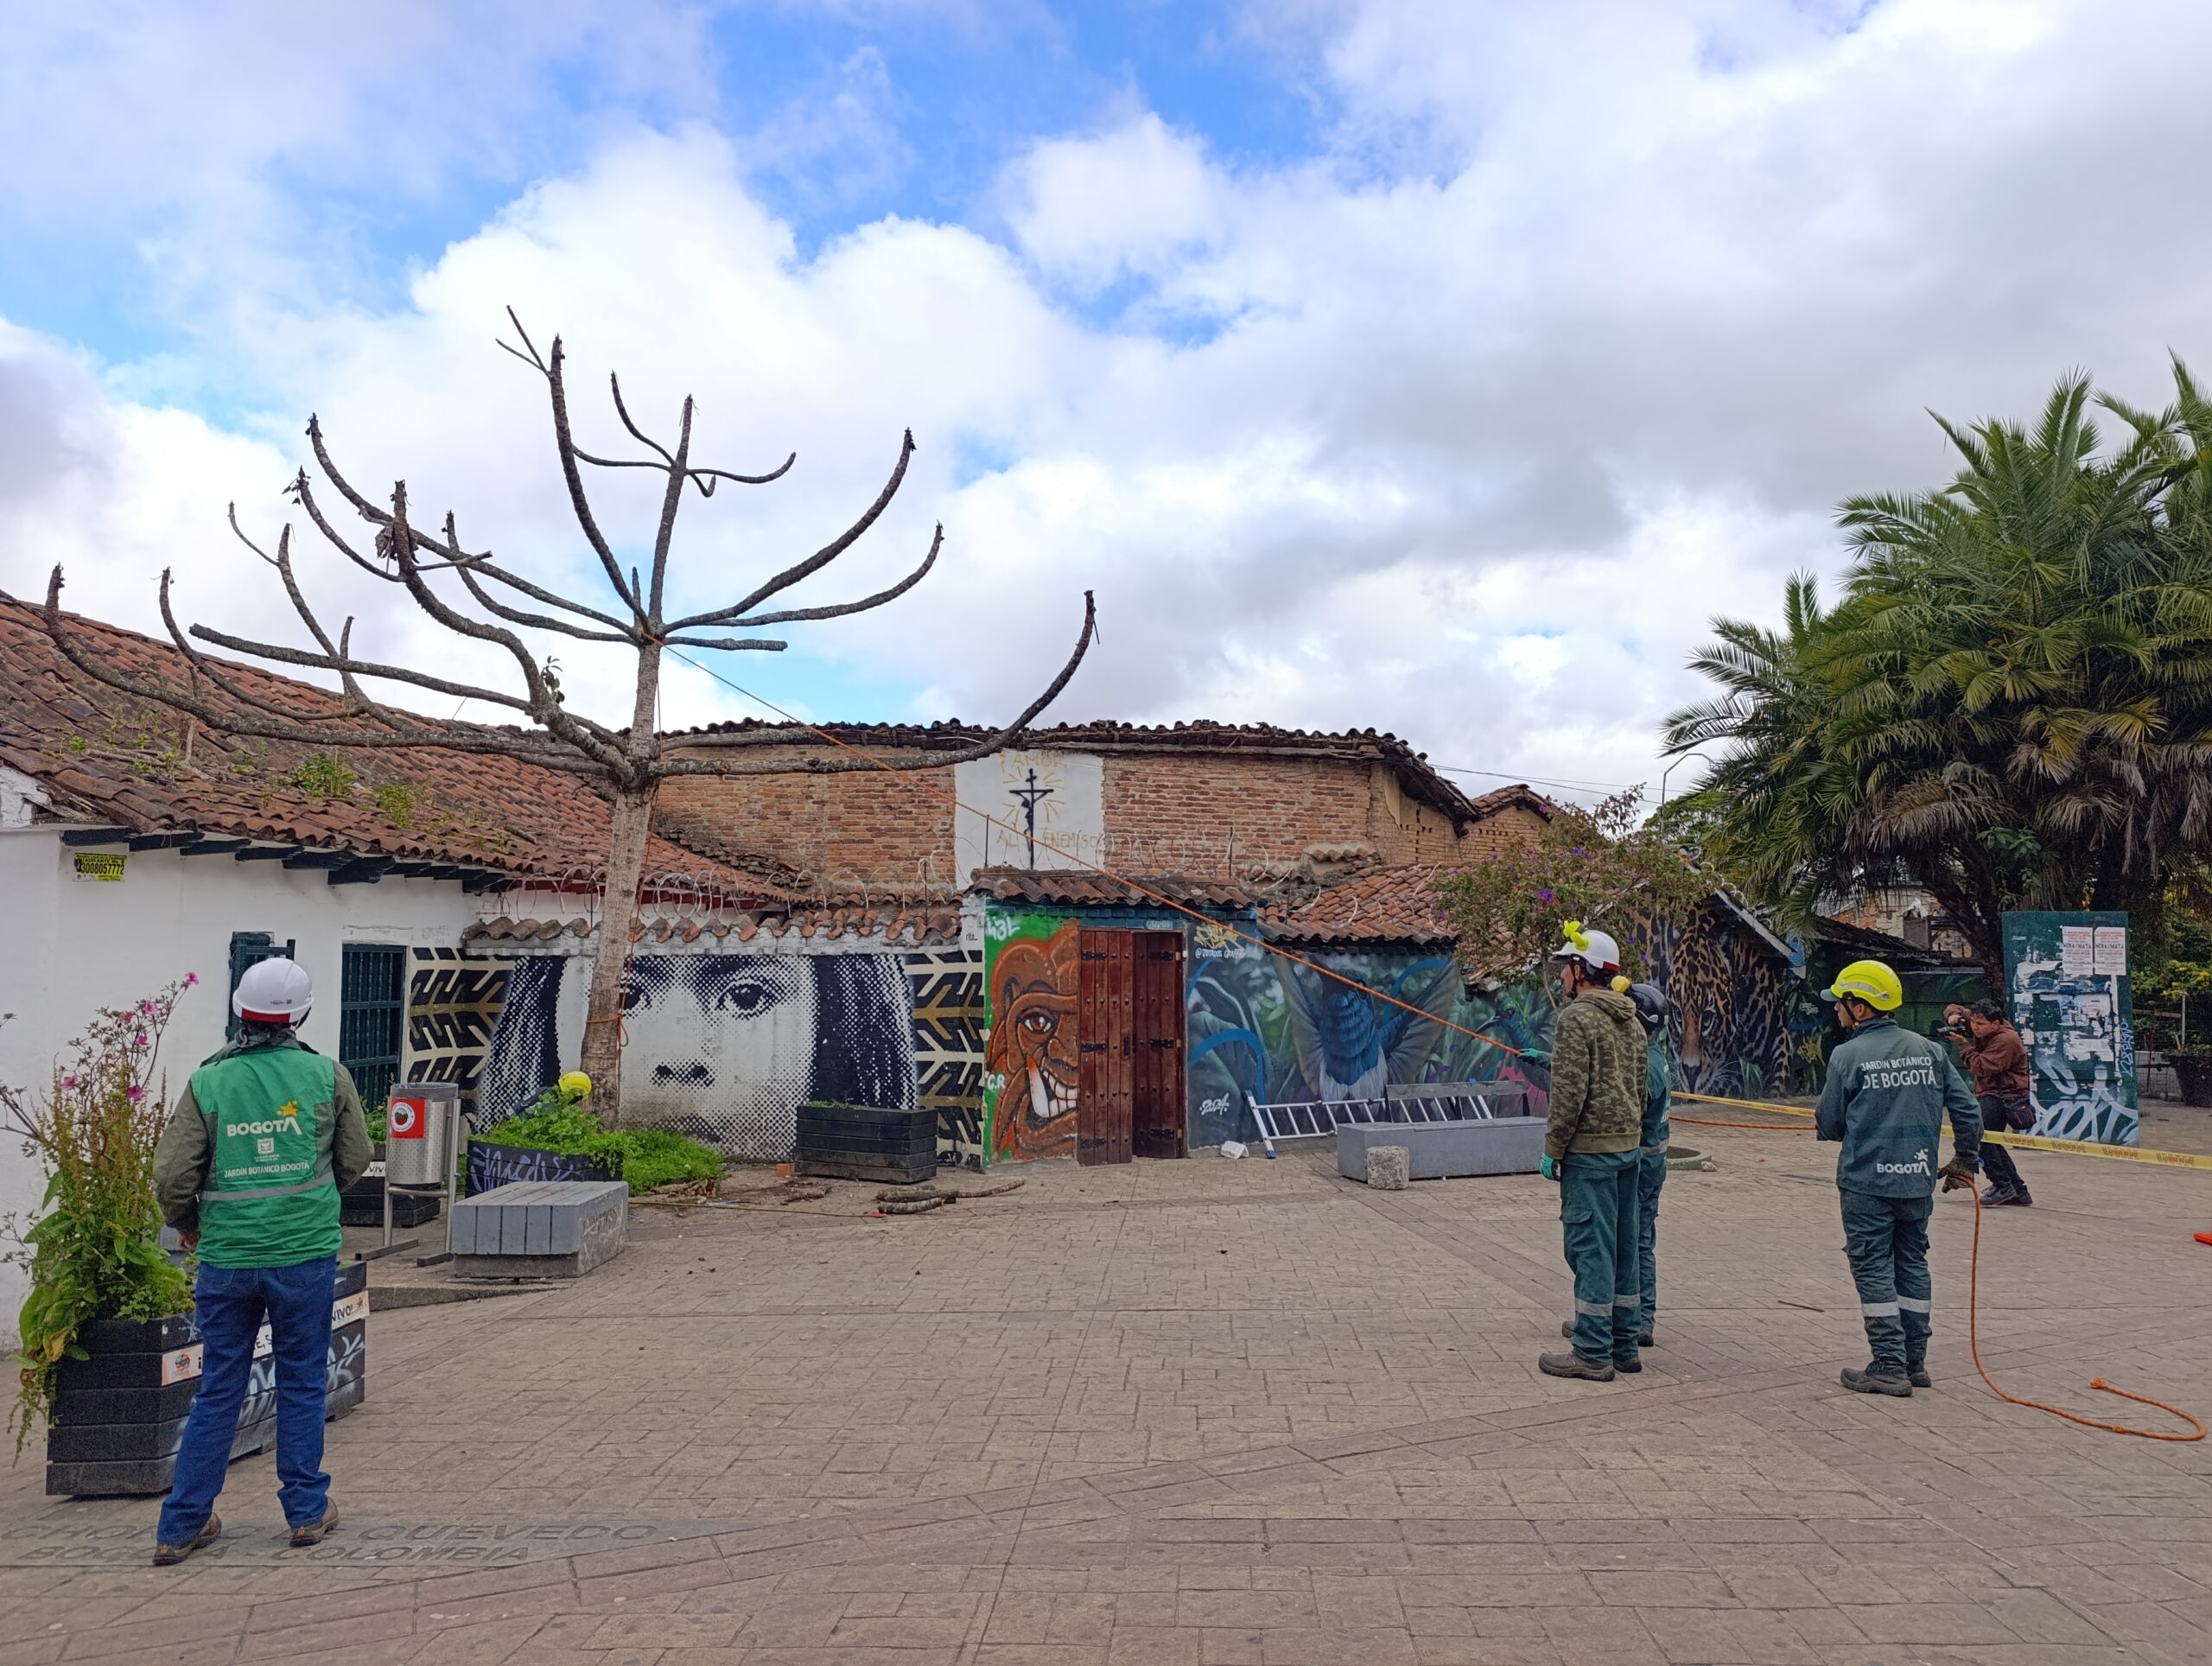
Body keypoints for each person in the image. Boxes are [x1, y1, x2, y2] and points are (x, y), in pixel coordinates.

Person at [149, 957, 371, 1565]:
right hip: (304, 1257)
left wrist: (189, 1223)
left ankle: (181, 1523)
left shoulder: (208, 1083)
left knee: (220, 1387)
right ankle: (304, 1512)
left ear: (240, 1010)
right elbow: (356, 1157)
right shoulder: (328, 1075)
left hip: (226, 1260)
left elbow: (172, 1176)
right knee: (301, 1382)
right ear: (300, 1014)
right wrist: (314, 1199)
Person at [1815, 959, 1981, 1397]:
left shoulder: (1846, 1055)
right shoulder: (1930, 1051)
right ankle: (1915, 1362)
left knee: (1872, 1266)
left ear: (1860, 1007)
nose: (1836, 1010)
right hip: (1915, 1183)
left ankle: (1888, 1363)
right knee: (1911, 1264)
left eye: (1840, 1003)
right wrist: (1965, 1160)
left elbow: (1829, 1124)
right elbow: (1968, 1110)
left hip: (1866, 1184)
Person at [1535, 921, 1647, 1383]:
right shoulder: (1633, 1020)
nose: (1562, 975)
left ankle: (1592, 1352)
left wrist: (1553, 1147)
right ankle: (1624, 1346)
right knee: (1624, 1249)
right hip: (1628, 1152)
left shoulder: (1577, 1018)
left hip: (1590, 1157)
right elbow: (1640, 1090)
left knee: (1590, 1251)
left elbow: (1568, 1094)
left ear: (1583, 971)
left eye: (1567, 967)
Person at [1945, 999, 2034, 1206]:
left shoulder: (2006, 1040)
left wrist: (1963, 1045)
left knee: (1982, 1139)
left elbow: (1981, 1067)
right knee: (1991, 1141)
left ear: (1996, 1023)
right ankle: (2017, 1190)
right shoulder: (1979, 1022)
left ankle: (2003, 1185)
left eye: (1981, 1024)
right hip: (1991, 1093)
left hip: (2005, 1096)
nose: (1975, 1027)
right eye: (1973, 1022)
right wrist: (1954, 1015)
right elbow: (1954, 1007)